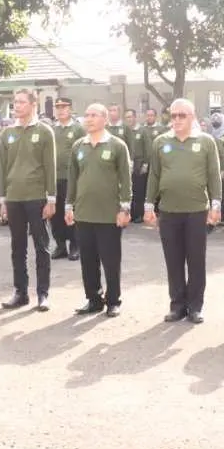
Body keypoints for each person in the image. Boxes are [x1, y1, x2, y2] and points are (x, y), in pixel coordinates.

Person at [145, 98, 222, 324]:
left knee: (196, 260)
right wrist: (149, 205)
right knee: (174, 259)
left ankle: (195, 306)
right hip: (169, 211)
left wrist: (216, 205)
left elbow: (213, 176)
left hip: (197, 210)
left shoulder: (206, 142)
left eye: (182, 115)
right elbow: (154, 175)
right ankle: (177, 305)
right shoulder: (161, 142)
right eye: (173, 115)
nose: (177, 119)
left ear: (193, 117)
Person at [66, 103, 132, 318]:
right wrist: (69, 205)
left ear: (105, 119)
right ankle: (93, 299)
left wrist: (124, 207)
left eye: (94, 115)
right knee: (88, 260)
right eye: (86, 115)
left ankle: (113, 300)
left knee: (111, 260)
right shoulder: (78, 146)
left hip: (108, 214)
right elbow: (73, 179)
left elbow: (125, 179)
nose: (89, 119)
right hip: (84, 213)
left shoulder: (117, 146)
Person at [0, 89, 57, 312]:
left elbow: (50, 167)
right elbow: (2, 169)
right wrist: (3, 199)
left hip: (37, 197)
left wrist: (51, 198)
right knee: (17, 247)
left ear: (33, 105)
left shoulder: (44, 132)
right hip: (14, 197)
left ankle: (43, 293)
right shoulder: (7, 134)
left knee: (41, 246)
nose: (17, 105)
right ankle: (20, 292)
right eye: (15, 102)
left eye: (21, 102)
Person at [51, 98, 84, 259]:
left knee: (70, 212)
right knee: (55, 214)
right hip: (54, 178)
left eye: (64, 107)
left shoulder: (78, 129)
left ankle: (75, 245)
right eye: (58, 107)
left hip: (72, 178)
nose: (60, 110)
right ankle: (60, 245)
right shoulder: (52, 129)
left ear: (70, 109)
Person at [123, 108, 149, 227]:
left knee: (139, 191)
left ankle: (139, 214)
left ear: (135, 117)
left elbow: (147, 148)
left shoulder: (142, 131)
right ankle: (130, 213)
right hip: (126, 164)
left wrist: (146, 163)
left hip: (139, 164)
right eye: (127, 117)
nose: (129, 119)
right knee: (129, 190)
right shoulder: (125, 131)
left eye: (130, 117)